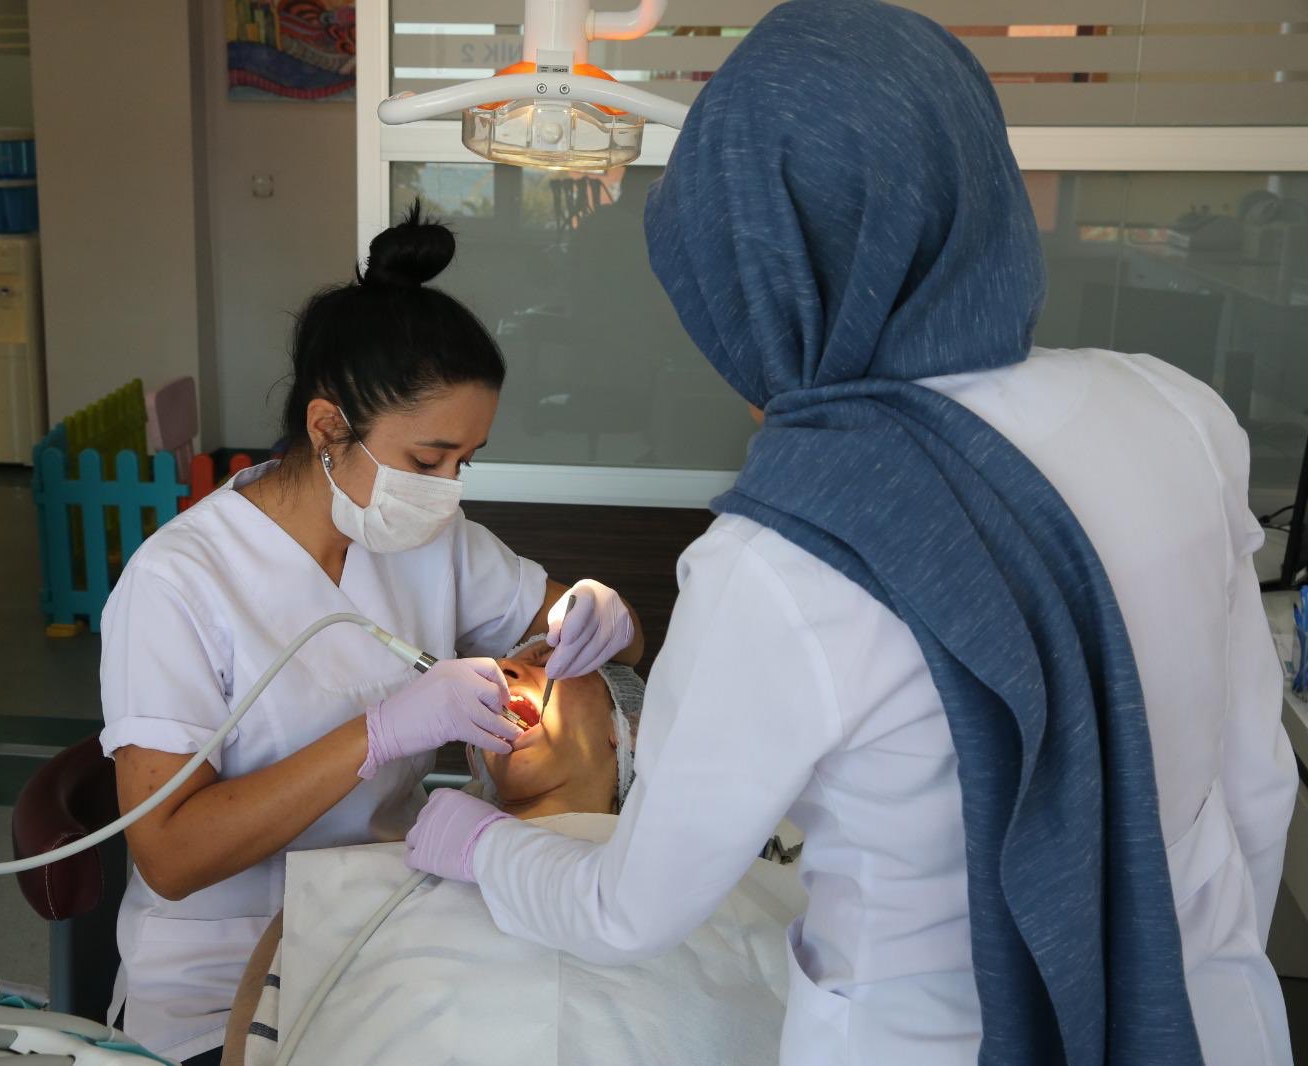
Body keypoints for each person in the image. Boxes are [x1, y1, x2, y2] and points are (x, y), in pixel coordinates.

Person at [403, 3, 1298, 1065]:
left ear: (757, 273)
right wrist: (1191, 968)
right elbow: (1257, 782)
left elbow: (624, 912)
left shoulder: (786, 556)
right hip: (1200, 1012)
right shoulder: (1178, 413)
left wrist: (480, 845)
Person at [98, 206, 643, 1065]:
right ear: (327, 429)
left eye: (467, 461)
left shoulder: (432, 537)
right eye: (428, 461)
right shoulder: (180, 582)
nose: (448, 488)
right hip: (222, 976)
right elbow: (169, 855)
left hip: (390, 928)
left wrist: (601, 613)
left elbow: (602, 647)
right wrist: (380, 733)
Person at [222, 640, 802, 1066]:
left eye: (550, 660)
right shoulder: (356, 883)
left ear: (628, 727)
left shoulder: (726, 882)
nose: (505, 669)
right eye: (503, 663)